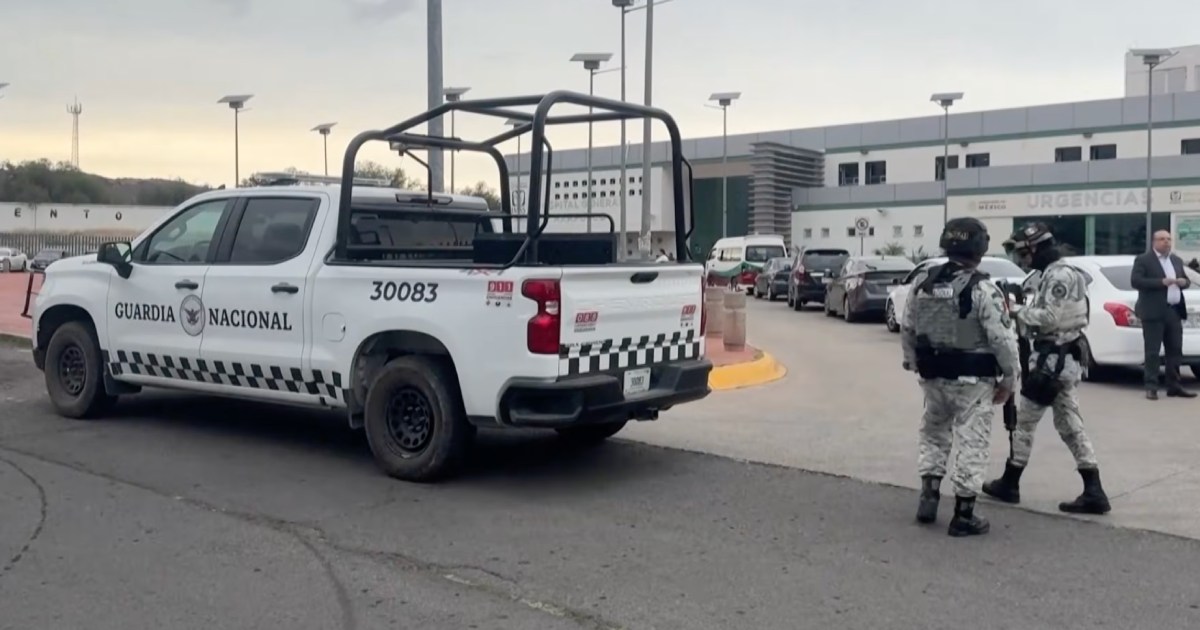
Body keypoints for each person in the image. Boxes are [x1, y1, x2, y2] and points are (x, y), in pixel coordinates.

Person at [901, 217, 1020, 537]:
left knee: (933, 433)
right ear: (979, 248)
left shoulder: (923, 282)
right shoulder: (983, 288)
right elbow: (1002, 340)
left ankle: (928, 497)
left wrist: (912, 361)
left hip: (932, 376)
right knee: (972, 442)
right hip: (972, 380)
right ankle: (964, 515)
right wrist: (1010, 379)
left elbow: (908, 326)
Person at [982, 222, 1111, 515]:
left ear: (1037, 248)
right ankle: (1093, 489)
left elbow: (1050, 317)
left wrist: (1014, 310)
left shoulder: (1059, 275)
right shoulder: (1059, 272)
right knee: (1070, 424)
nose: (1023, 259)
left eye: (1024, 253)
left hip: (1052, 361)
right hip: (1061, 359)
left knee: (1024, 422)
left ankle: (1010, 482)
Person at [1131, 230, 1197, 400]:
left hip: (1174, 311)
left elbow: (1186, 280)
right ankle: (1151, 386)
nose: (1166, 242)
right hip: (1153, 312)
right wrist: (1161, 282)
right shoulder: (1144, 260)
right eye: (1162, 239)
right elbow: (1136, 281)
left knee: (1175, 350)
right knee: (1152, 351)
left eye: (1168, 239)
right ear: (1154, 242)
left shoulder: (1175, 260)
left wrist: (1184, 282)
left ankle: (1174, 386)